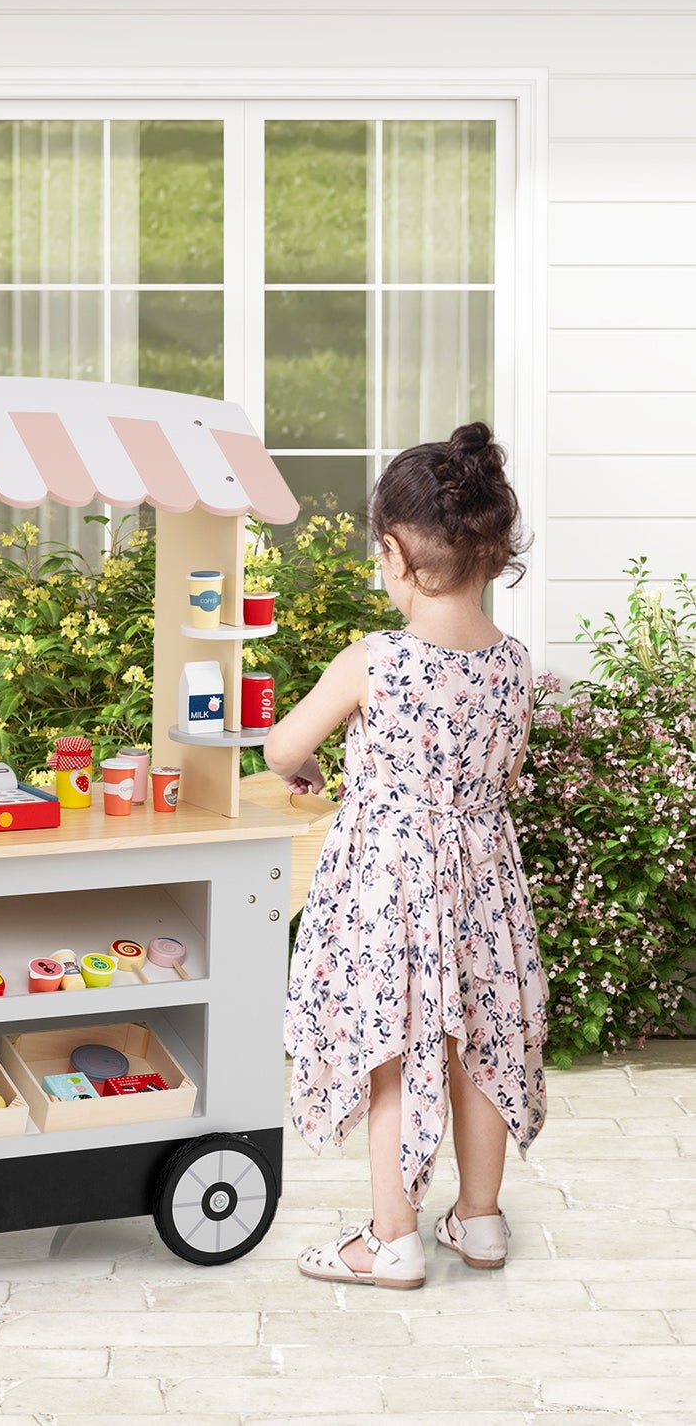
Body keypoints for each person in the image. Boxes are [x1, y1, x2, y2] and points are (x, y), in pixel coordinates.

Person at [264, 421, 547, 1290]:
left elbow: (281, 749)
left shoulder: (374, 660)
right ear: (493, 555)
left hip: (390, 882)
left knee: (394, 1043)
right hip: (484, 884)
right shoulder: (514, 665)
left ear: (391, 551)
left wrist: (317, 760)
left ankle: (391, 1237)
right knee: (481, 1045)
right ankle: (482, 1219)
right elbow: (498, 765)